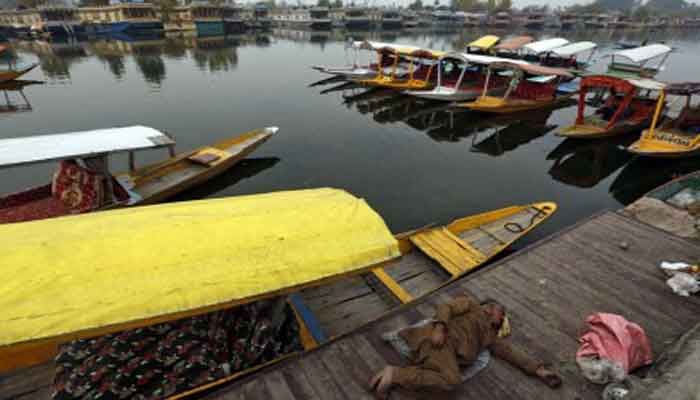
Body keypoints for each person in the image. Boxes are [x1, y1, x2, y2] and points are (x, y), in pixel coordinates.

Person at [369, 293, 562, 398]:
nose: (502, 317)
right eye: (500, 312)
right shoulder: (471, 305)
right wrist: (440, 327)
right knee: (451, 382)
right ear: (489, 307)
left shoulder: (490, 336)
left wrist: (538, 370)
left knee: (441, 381)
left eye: (503, 317)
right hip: (443, 341)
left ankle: (394, 375)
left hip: (447, 356)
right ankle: (395, 374)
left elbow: (510, 352)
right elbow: (447, 307)